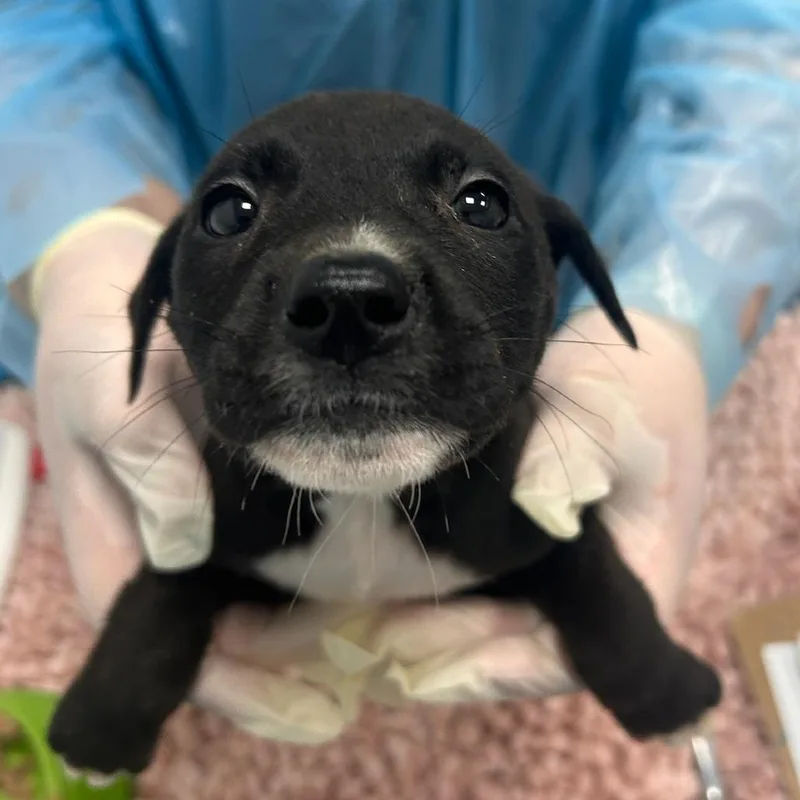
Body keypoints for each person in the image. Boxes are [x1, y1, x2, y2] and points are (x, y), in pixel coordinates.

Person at [3, 0, 800, 743]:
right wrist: (77, 228)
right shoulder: (210, 487)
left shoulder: (531, 474)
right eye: (232, 213)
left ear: (571, 264)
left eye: (481, 206)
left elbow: (755, 36)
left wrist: (683, 296)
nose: (348, 294)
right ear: (156, 296)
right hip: (147, 150)